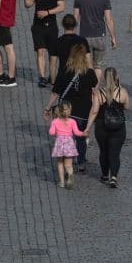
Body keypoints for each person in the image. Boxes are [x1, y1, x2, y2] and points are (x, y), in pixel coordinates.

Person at [48, 43, 98, 172]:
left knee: (65, 137)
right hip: (83, 112)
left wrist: (47, 107)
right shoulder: (90, 73)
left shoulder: (64, 71)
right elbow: (94, 86)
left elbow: (55, 92)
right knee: (81, 138)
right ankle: (80, 162)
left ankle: (66, 162)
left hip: (66, 111)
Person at [24, 0, 66, 88]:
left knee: (52, 53)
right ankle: (42, 77)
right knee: (40, 51)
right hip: (38, 27)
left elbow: (62, 7)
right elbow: (28, 5)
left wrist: (47, 12)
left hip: (52, 27)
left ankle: (52, 77)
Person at [90, 67, 129, 187]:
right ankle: (114, 177)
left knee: (104, 151)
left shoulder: (99, 93)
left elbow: (95, 111)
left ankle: (105, 174)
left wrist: (87, 127)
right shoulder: (122, 92)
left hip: (102, 127)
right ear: (116, 77)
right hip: (118, 128)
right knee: (115, 153)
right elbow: (127, 107)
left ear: (103, 78)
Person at [73, 0, 116, 72]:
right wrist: (113, 37)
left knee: (85, 64)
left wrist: (73, 35)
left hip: (84, 35)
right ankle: (95, 88)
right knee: (98, 66)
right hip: (99, 35)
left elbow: (75, 18)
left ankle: (87, 86)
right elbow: (108, 20)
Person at [51, 13, 91, 81]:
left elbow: (53, 65)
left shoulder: (57, 42)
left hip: (63, 76)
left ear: (63, 25)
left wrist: (53, 82)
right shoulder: (82, 41)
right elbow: (88, 62)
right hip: (79, 76)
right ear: (75, 25)